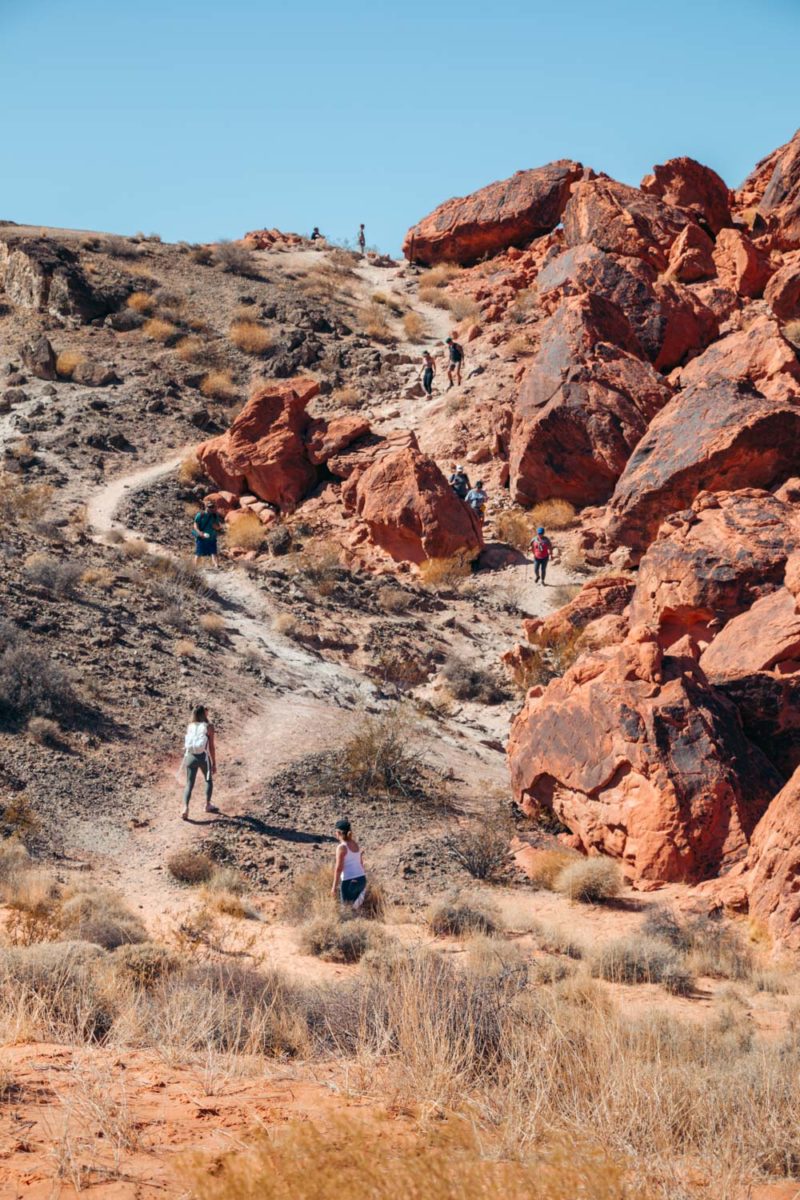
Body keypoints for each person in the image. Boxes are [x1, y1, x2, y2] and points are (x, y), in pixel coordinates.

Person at [180, 704, 218, 820]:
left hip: (190, 757)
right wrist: (214, 763)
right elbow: (211, 746)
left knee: (189, 784)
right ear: (204, 713)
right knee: (208, 780)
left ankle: (185, 808)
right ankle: (207, 805)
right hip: (203, 758)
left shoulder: (190, 726)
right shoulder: (209, 727)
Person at [332, 818, 366, 908]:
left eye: (335, 831)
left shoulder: (341, 847)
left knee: (347, 911)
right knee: (356, 909)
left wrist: (334, 887)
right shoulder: (355, 844)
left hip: (349, 881)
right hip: (361, 880)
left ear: (339, 833)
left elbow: (339, 868)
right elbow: (361, 863)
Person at [193, 498, 222, 569]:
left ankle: (216, 566)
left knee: (213, 552)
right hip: (201, 538)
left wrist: (216, 527)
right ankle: (194, 568)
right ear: (206, 507)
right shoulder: (201, 515)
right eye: (209, 507)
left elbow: (219, 527)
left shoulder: (215, 516)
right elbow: (195, 525)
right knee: (198, 553)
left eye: (212, 507)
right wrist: (199, 533)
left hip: (212, 538)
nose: (211, 508)